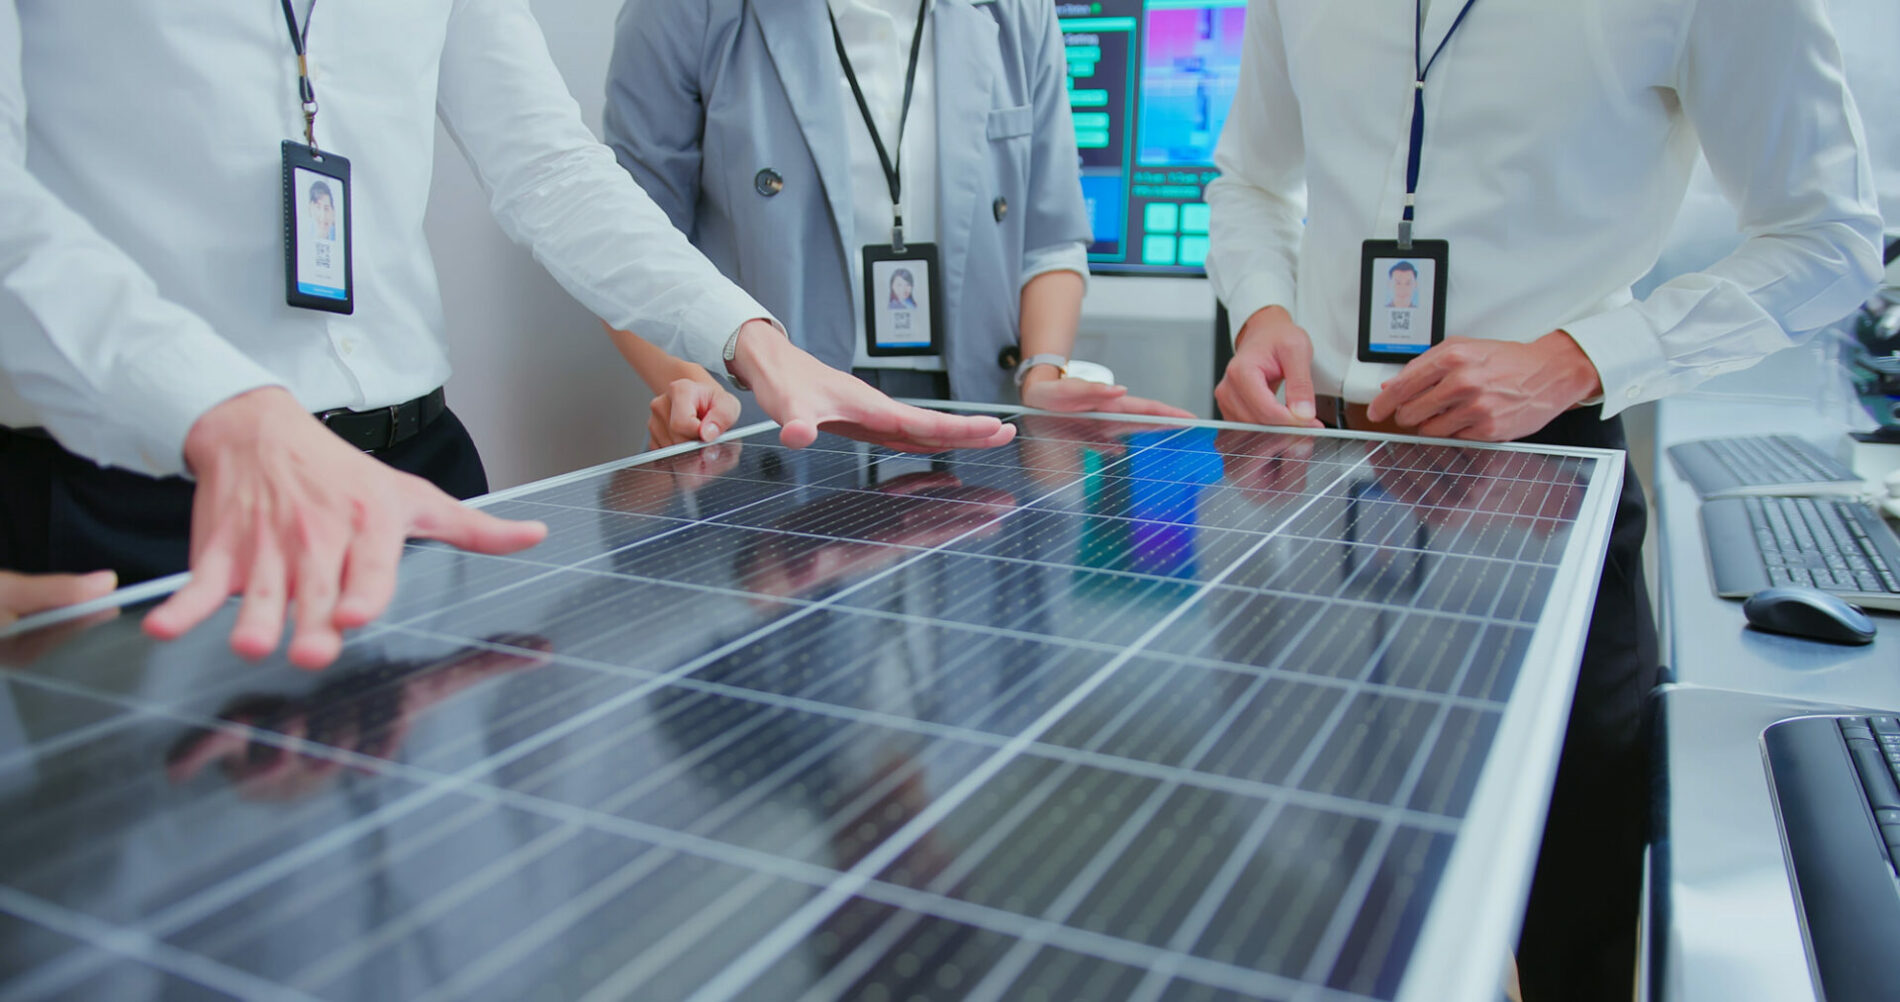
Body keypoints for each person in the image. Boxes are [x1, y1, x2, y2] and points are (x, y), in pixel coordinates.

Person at [0, 1, 1017, 671]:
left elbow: (547, 163)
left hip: (426, 484)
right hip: (136, 502)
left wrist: (751, 340)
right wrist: (219, 406)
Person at [1204, 1, 1883, 998]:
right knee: (1318, 880)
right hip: (1321, 472)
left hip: (1544, 475)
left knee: (1573, 899)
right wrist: (1263, 303)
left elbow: (1827, 238)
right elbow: (1251, 182)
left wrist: (1575, 362)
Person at [601, 0, 1189, 448]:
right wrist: (687, 384)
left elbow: (1050, 239)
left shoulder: (1019, 11)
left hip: (978, 410)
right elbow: (630, 249)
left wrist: (1043, 372)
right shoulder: (684, 12)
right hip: (772, 415)